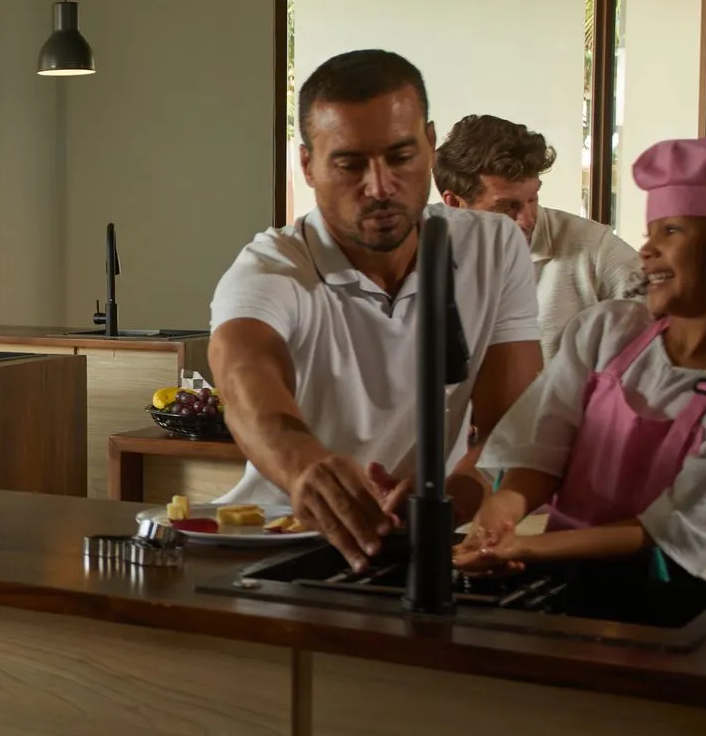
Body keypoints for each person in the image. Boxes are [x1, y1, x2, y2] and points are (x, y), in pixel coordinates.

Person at [459, 138, 706, 598]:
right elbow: (543, 444)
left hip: (693, 604)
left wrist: (530, 546)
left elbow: (671, 528)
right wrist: (504, 506)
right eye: (650, 233)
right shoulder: (609, 333)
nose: (646, 251)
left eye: (671, 231)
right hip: (573, 584)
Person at [209, 50, 543, 568]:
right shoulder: (273, 267)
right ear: (308, 166)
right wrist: (305, 466)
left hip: (421, 543)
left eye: (401, 157)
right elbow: (241, 377)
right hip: (279, 542)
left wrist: (450, 498)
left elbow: (514, 425)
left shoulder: (494, 247)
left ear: (430, 145)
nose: (380, 187)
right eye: (350, 164)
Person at [435, 114, 645, 358]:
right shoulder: (415, 259)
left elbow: (668, 332)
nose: (527, 220)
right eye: (507, 206)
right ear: (454, 204)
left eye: (532, 198)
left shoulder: (594, 248)